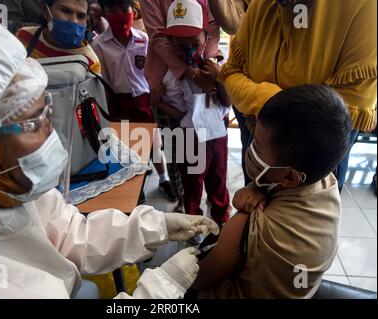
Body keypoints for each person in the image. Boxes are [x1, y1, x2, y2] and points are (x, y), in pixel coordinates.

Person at [0, 4, 220, 298]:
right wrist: (158, 292)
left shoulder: (5, 188)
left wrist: (154, 227)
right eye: (31, 123)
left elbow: (68, 233)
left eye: (47, 113)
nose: (50, 131)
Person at [192, 84, 353, 299]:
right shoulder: (328, 183)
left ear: (288, 177)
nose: (250, 148)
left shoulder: (246, 226)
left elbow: (200, 278)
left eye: (257, 145)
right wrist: (262, 189)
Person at [218, 0, 377, 191]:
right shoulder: (262, 4)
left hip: (312, 160)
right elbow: (230, 71)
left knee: (301, 215)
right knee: (252, 202)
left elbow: (342, 113)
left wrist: (262, 101)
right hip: (258, 137)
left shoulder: (365, 7)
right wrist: (268, 102)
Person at [152, 0, 232, 244]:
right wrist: (158, 102)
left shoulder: (218, 65)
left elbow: (228, 102)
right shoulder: (173, 76)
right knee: (192, 182)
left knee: (219, 178)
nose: (188, 50)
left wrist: (220, 80)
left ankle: (220, 218)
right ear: (171, 43)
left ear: (206, 37)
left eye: (194, 43)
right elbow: (179, 113)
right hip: (189, 137)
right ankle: (193, 225)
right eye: (180, 44)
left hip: (217, 134)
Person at [91, 0, 178, 202]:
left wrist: (156, 93)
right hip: (118, 101)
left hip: (145, 98)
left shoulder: (144, 39)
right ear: (105, 12)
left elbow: (154, 70)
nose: (120, 14)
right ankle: (134, 189)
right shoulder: (99, 45)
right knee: (125, 148)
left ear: (134, 11)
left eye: (124, 8)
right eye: (113, 9)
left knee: (153, 144)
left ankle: (164, 179)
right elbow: (102, 79)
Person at [16, 0, 101, 73]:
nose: (74, 21)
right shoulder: (24, 36)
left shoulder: (90, 61)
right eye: (66, 11)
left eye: (81, 16)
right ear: (45, 9)